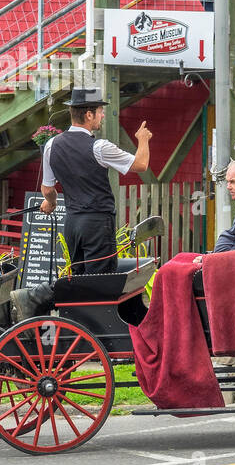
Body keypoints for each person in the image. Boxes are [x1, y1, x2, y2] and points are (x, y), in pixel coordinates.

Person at [10, 87, 152, 322]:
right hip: (97, 223)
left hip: (73, 224)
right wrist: (143, 140)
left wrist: (51, 202)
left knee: (79, 278)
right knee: (99, 282)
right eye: (99, 112)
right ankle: (36, 297)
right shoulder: (99, 147)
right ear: (89, 115)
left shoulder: (51, 145)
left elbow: (47, 189)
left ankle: (72, 322)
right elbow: (140, 165)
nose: (102, 116)